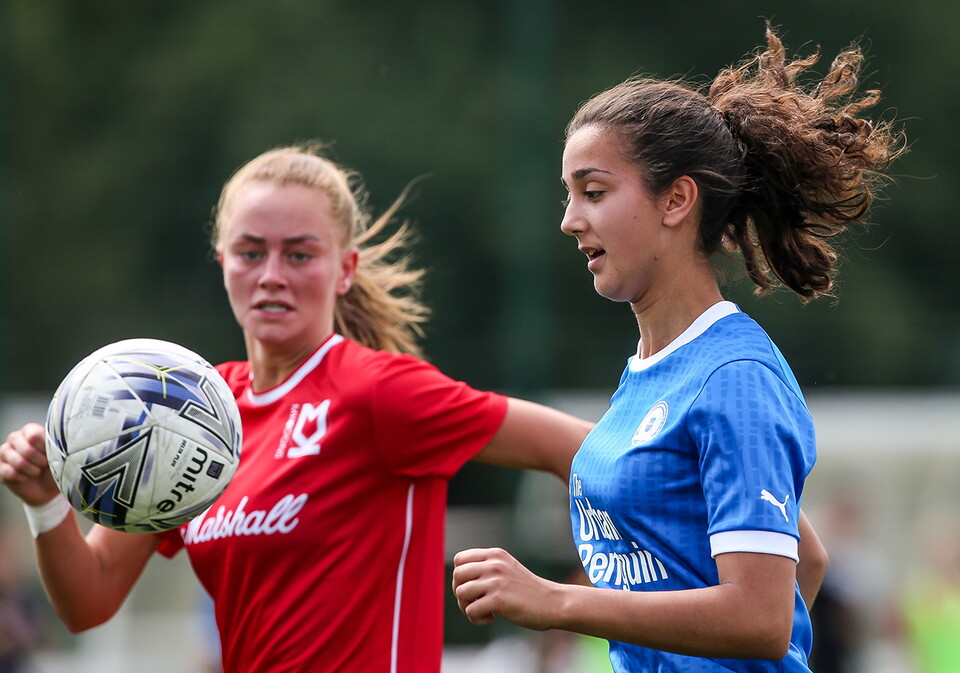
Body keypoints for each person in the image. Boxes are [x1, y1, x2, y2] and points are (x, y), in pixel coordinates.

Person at [0, 144, 595, 673]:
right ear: (222, 260)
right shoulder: (192, 413)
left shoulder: (381, 393)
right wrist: (46, 504)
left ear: (345, 270)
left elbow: (588, 452)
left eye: (300, 254)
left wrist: (605, 589)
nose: (272, 276)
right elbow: (89, 601)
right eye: (251, 252)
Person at [452, 25, 901, 673]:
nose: (570, 219)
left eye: (595, 191)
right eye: (568, 195)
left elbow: (763, 617)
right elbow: (810, 556)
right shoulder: (651, 370)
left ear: (677, 200)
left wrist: (557, 600)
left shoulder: (734, 376)